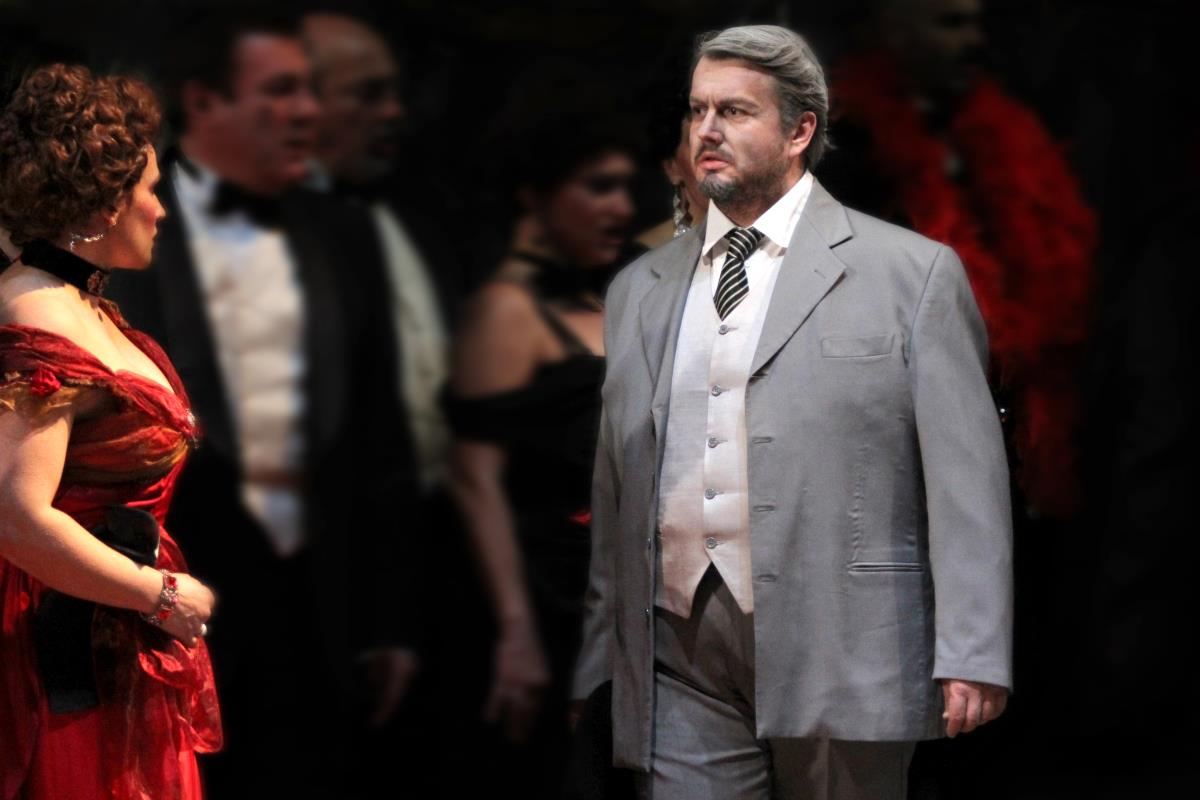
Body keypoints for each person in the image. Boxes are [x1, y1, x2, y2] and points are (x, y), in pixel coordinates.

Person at [573, 25, 1013, 799]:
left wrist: (972, 649)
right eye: (697, 110)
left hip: (846, 632)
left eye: (735, 111)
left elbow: (965, 480)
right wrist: (600, 653)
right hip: (676, 640)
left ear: (799, 131)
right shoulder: (640, 289)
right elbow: (616, 484)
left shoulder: (910, 274)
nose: (707, 130)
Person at [105, 9, 418, 798]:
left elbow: (380, 436)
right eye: (281, 91)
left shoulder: (345, 232)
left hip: (322, 613)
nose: (308, 111)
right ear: (203, 101)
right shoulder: (113, 228)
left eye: (311, 90)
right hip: (157, 616)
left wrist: (389, 617)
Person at [0, 64, 220, 800]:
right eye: (151, 188)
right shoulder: (38, 312)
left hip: (108, 637)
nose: (162, 209)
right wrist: (160, 594)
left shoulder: (76, 302)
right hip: (59, 656)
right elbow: (14, 517)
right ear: (105, 199)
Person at [442, 108, 638, 798]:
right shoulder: (504, 309)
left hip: (614, 590)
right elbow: (475, 479)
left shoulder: (618, 300)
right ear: (536, 196)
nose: (620, 207)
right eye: (597, 187)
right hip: (541, 591)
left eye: (625, 188)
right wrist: (516, 628)